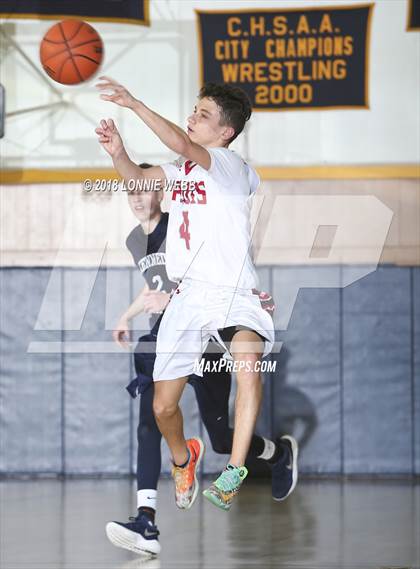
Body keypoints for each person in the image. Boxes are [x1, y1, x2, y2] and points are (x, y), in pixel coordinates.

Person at [95, 76, 299, 514]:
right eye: (194, 110)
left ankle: (235, 472)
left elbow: (183, 144)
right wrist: (119, 154)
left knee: (249, 372)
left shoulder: (228, 165)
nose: (192, 118)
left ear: (225, 132)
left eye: (202, 115)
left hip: (234, 292)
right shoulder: (180, 172)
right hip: (188, 298)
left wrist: (133, 103)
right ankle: (183, 459)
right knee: (163, 407)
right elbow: (137, 180)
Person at [104, 164, 297, 556]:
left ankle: (278, 454)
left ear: (162, 191)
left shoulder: (182, 224)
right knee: (150, 419)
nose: (138, 197)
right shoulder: (133, 240)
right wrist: (127, 314)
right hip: (167, 336)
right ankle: (146, 522)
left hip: (204, 333)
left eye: (145, 189)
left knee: (222, 438)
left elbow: (206, 276)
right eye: (131, 192)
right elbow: (155, 285)